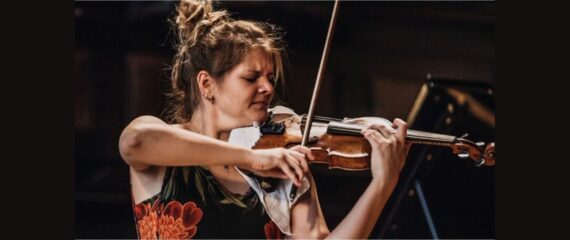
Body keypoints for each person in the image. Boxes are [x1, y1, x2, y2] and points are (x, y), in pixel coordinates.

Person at [119, 0, 410, 239]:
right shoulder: (165, 148)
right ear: (206, 84)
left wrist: (382, 184)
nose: (268, 88)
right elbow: (136, 140)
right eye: (251, 78)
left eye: (271, 78)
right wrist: (252, 159)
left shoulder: (281, 163)